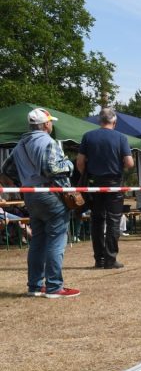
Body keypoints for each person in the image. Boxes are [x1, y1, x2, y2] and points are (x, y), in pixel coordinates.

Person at [1, 108, 79, 297]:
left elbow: (6, 170)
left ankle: (35, 286)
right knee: (56, 239)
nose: (52, 124)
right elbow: (51, 169)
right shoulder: (48, 142)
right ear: (45, 125)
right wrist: (69, 164)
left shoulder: (20, 145)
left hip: (31, 195)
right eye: (50, 122)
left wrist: (24, 180)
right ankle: (54, 287)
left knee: (38, 241)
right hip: (51, 194)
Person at [76, 107, 134, 269]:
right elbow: (129, 163)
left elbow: (80, 163)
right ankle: (110, 259)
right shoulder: (121, 138)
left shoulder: (88, 136)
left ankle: (99, 259)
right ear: (114, 122)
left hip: (94, 184)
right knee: (114, 220)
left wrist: (87, 174)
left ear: (99, 121)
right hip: (114, 184)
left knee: (97, 220)